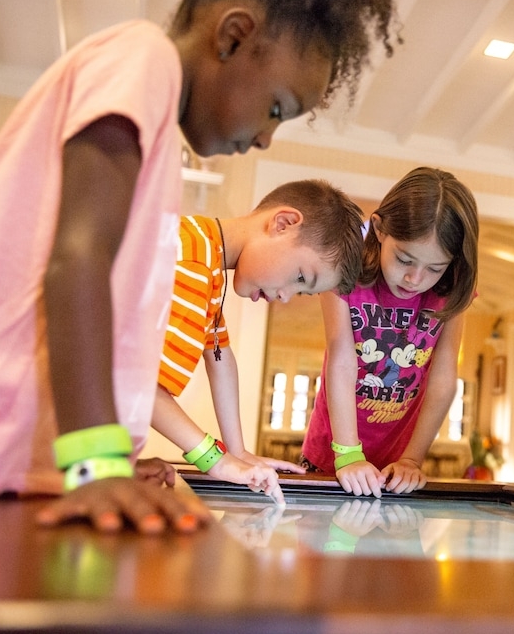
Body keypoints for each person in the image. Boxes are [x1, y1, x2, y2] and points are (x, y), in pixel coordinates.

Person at [0, 0, 397, 534]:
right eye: (276, 108)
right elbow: (78, 260)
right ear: (233, 35)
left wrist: (116, 457)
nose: (267, 137)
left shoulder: (162, 160)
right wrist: (97, 466)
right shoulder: (141, 57)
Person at [153, 179, 365, 504]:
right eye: (299, 277)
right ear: (282, 224)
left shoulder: (201, 250)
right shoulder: (193, 266)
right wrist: (216, 460)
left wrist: (237, 452)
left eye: (302, 292)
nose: (284, 296)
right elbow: (142, 389)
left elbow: (220, 358)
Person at [300, 167, 479, 497]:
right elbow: (341, 361)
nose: (415, 278)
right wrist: (349, 454)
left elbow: (443, 378)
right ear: (380, 229)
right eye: (404, 259)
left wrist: (413, 458)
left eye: (435, 268)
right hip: (333, 456)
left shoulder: (451, 291)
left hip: (397, 467)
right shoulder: (345, 273)